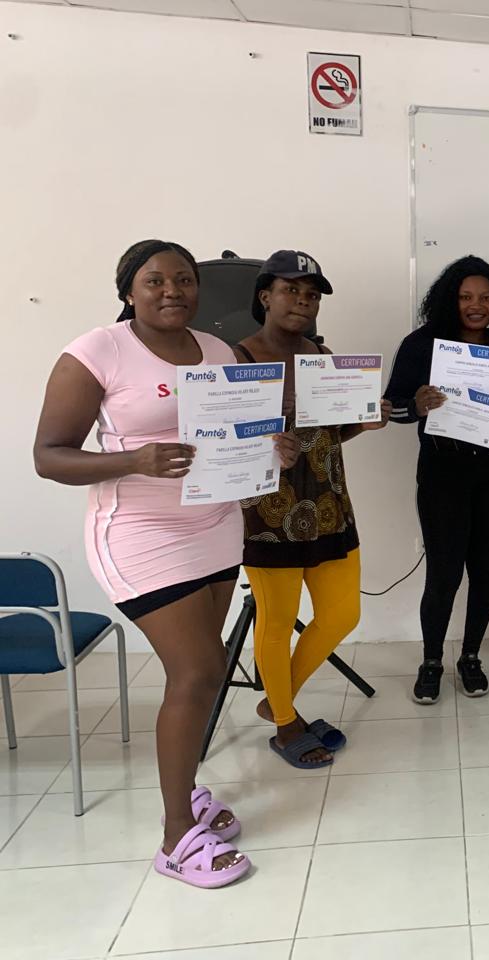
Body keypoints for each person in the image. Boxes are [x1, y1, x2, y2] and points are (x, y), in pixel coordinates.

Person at [33, 240, 296, 888]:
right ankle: (177, 836)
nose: (172, 290)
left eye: (184, 279)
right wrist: (134, 460)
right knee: (198, 670)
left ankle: (188, 791)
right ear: (129, 290)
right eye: (155, 281)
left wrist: (274, 446)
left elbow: (237, 431)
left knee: (204, 671)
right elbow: (49, 455)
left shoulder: (217, 351)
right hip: (141, 532)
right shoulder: (97, 351)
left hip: (215, 523)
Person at [233, 251, 389, 769]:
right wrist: (265, 446)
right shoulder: (239, 359)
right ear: (265, 296)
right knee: (277, 622)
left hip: (329, 505)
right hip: (267, 516)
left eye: (312, 294)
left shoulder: (324, 357)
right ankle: (284, 723)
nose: (303, 301)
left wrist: (363, 422)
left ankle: (276, 699)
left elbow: (330, 433)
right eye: (291, 290)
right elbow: (217, 442)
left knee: (343, 614)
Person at [385, 255, 489, 704]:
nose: (476, 306)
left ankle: (470, 657)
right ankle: (431, 662)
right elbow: (391, 407)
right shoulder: (421, 344)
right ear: (450, 299)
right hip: (444, 472)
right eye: (465, 297)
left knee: (485, 571)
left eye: (485, 297)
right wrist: (417, 406)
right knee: (443, 574)